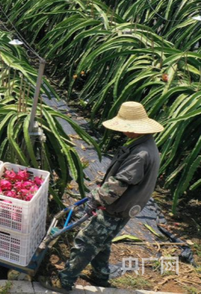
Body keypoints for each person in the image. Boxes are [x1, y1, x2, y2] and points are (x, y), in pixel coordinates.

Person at [43, 101, 163, 293]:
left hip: (116, 207)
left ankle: (64, 281)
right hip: (124, 207)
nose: (122, 131)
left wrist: (97, 199)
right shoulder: (146, 145)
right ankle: (100, 276)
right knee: (103, 240)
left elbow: (119, 184)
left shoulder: (140, 154)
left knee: (86, 241)